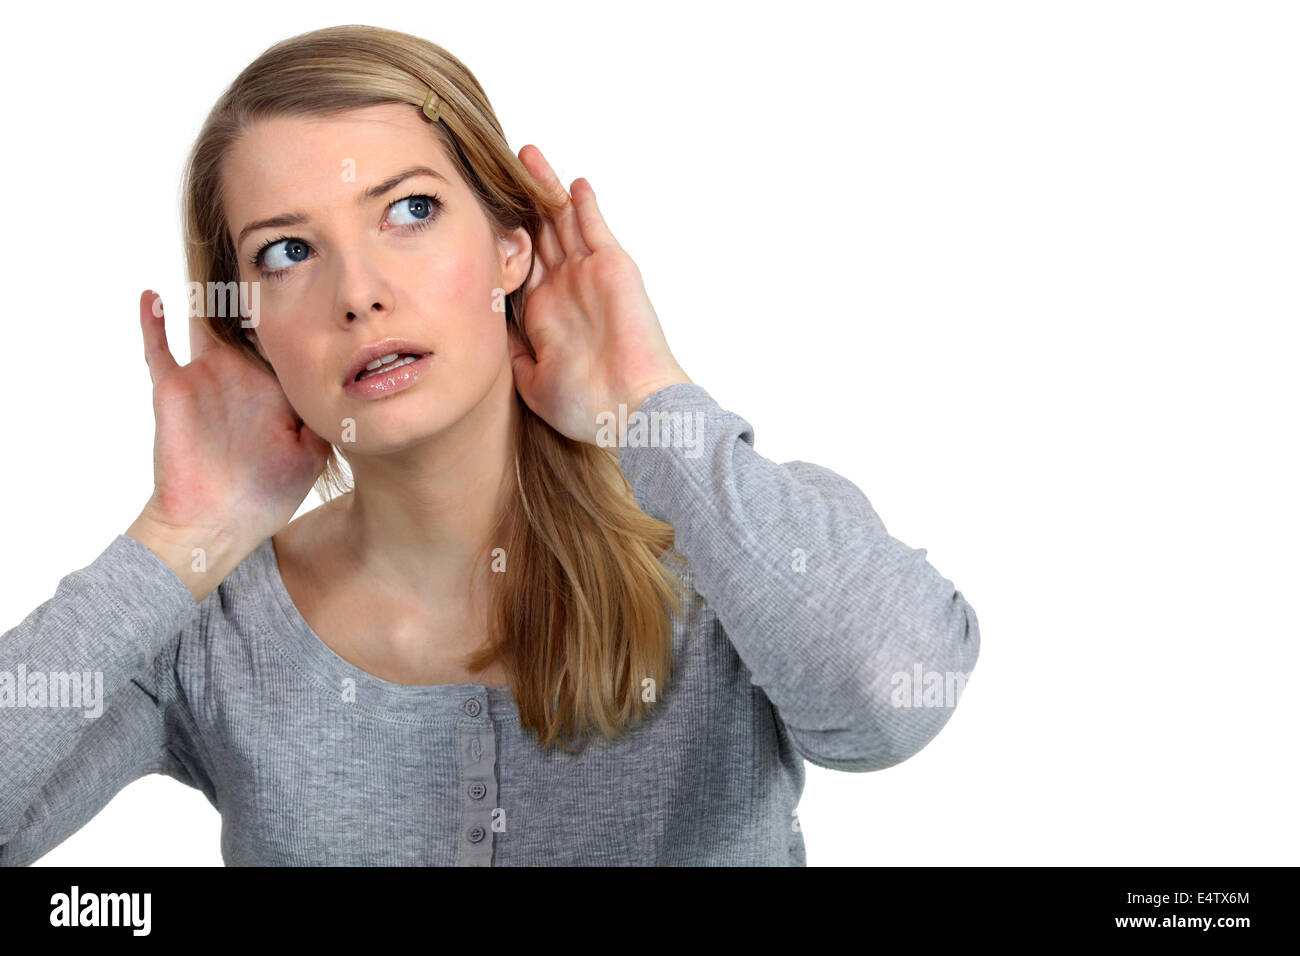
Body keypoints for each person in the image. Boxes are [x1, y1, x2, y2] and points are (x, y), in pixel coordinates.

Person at [0, 23, 980, 866]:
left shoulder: (734, 532)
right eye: (287, 252)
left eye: (410, 210)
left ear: (512, 243)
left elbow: (893, 704)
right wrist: (178, 538)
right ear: (249, 326)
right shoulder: (205, 636)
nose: (358, 290)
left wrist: (649, 404)